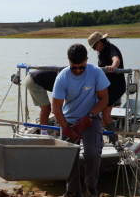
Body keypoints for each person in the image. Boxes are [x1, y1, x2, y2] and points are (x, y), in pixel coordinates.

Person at [52, 44, 110, 197]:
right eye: (73, 67)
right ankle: (72, 191)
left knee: (92, 152)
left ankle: (91, 188)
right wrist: (66, 128)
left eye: (81, 67)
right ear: (68, 61)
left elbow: (104, 99)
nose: (77, 71)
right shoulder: (62, 77)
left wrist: (89, 116)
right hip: (69, 120)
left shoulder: (96, 72)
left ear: (87, 60)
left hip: (91, 117)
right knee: (69, 154)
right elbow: (56, 108)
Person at [87, 32, 126, 144]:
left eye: (94, 46)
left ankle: (114, 141)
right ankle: (106, 138)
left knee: (105, 114)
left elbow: (116, 60)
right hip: (107, 86)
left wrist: (112, 67)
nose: (94, 49)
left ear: (99, 42)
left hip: (115, 87)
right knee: (102, 112)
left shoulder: (110, 49)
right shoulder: (102, 52)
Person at [25, 70, 58, 135]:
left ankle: (44, 130)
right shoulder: (66, 81)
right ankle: (44, 133)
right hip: (33, 80)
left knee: (49, 107)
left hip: (35, 78)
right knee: (46, 108)